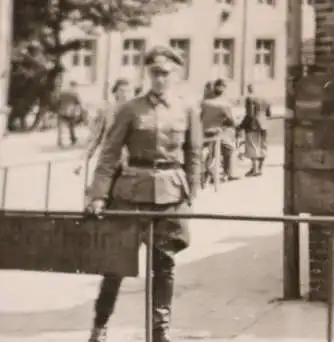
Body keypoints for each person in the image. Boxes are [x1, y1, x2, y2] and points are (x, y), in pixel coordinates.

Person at [86, 45, 203, 342]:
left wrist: (193, 191)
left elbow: (194, 153)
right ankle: (100, 327)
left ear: (176, 74)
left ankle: (160, 332)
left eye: (165, 73)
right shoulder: (130, 109)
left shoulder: (187, 109)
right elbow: (109, 154)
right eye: (155, 73)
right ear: (147, 74)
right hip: (130, 194)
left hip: (170, 195)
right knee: (115, 265)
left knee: (164, 266)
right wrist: (98, 194)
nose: (160, 79)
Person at [74, 78, 134, 176]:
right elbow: (95, 139)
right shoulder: (106, 112)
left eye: (129, 91)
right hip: (108, 163)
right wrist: (82, 162)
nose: (126, 94)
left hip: (130, 165)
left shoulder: (136, 114)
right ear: (115, 93)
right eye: (122, 91)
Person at [200, 78, 239, 181]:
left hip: (203, 131)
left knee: (206, 150)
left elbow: (200, 116)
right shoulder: (225, 104)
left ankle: (206, 170)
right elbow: (233, 121)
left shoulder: (204, 102)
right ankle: (227, 173)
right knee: (229, 148)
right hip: (217, 132)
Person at [239, 84, 272, 176]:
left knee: (253, 146)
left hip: (253, 125)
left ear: (249, 89)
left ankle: (254, 169)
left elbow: (249, 114)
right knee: (263, 146)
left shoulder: (249, 98)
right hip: (264, 124)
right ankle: (260, 168)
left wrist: (241, 125)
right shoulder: (266, 99)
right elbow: (269, 114)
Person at [55, 80, 84, 147]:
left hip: (61, 111)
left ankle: (60, 141)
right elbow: (78, 104)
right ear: (73, 86)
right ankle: (72, 139)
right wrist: (80, 112)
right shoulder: (74, 94)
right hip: (70, 112)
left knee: (60, 128)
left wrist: (58, 109)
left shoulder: (62, 93)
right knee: (71, 126)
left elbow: (57, 102)